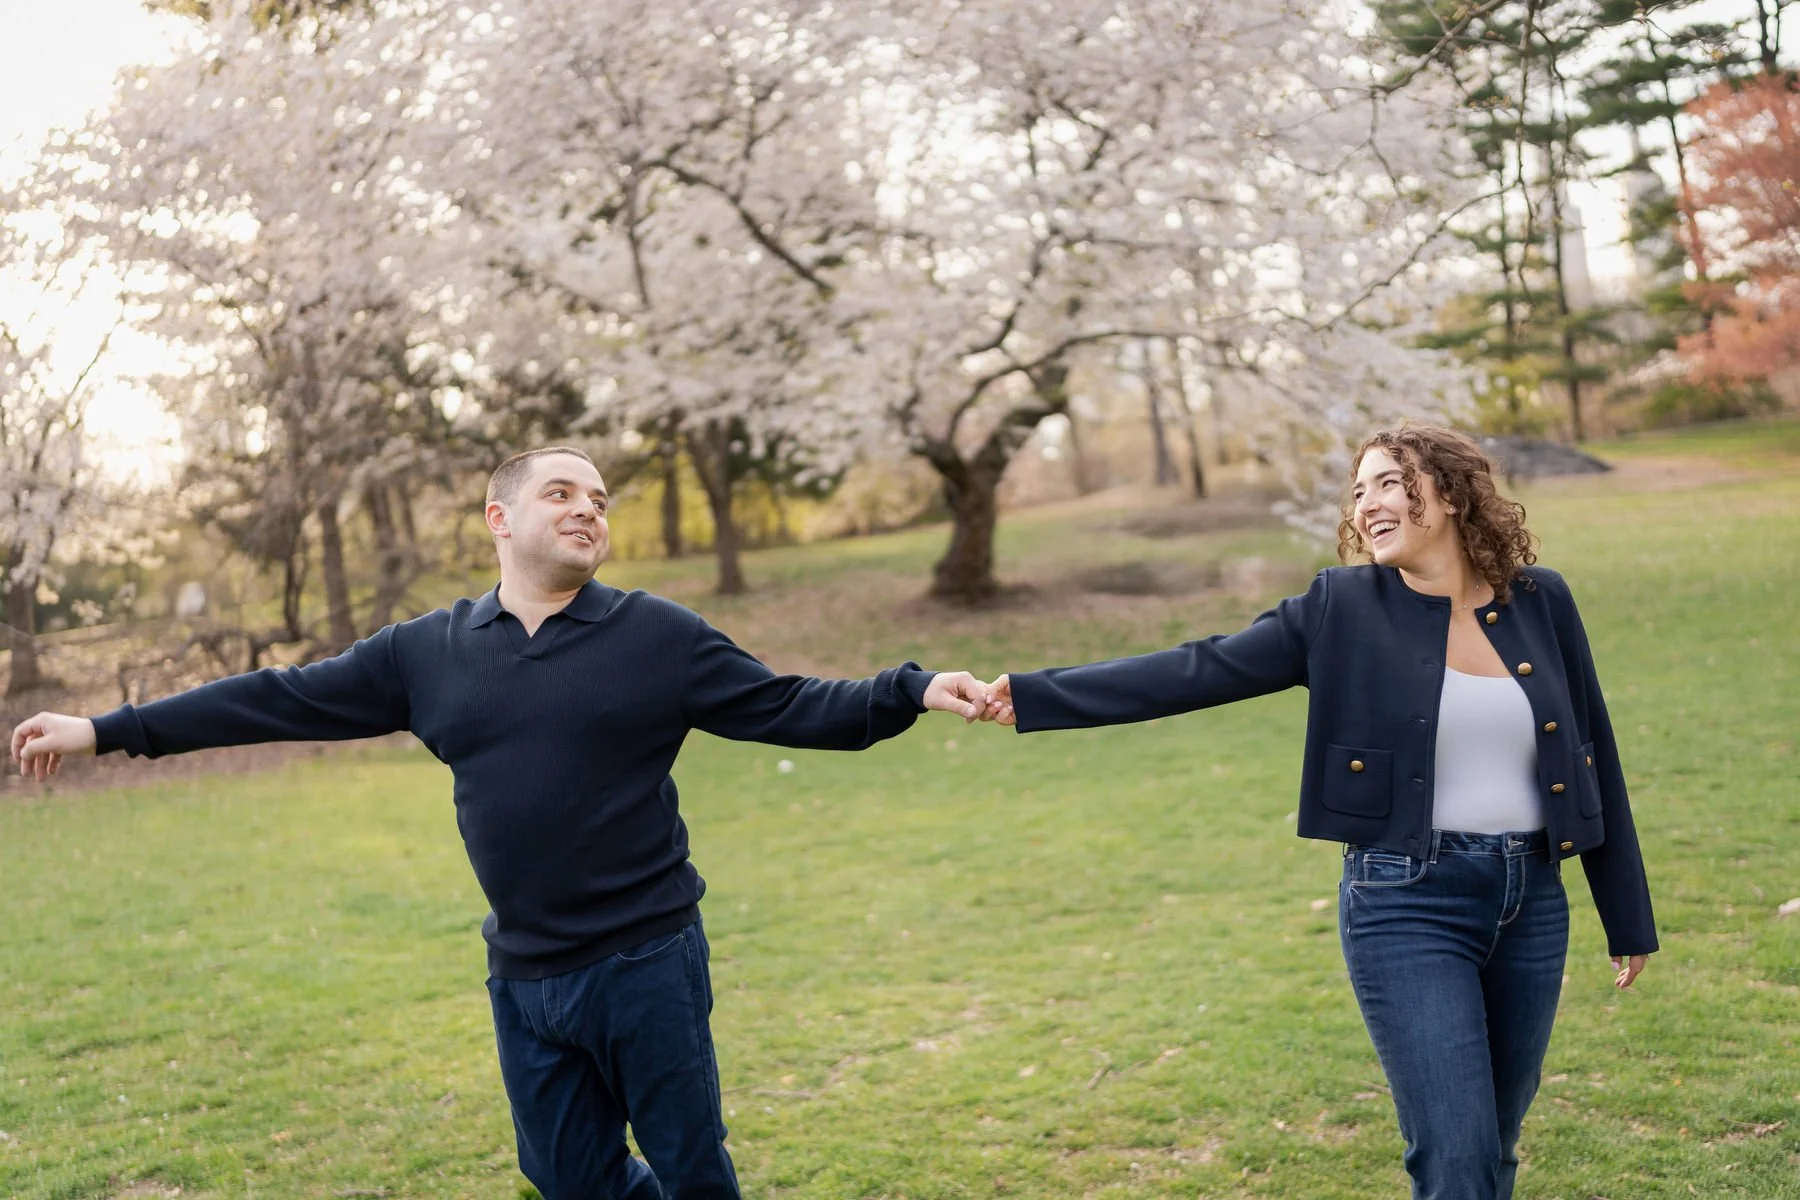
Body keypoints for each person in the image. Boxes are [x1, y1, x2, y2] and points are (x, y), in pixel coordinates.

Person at [10, 445, 992, 1200]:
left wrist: (908, 689)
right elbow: (277, 699)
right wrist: (106, 728)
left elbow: (793, 707)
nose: (589, 510)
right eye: (564, 492)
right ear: (500, 516)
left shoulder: (657, 636)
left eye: (600, 500)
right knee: (569, 1178)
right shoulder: (427, 653)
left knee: (693, 1168)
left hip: (646, 960)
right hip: (525, 975)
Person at [979, 424, 1656, 1200]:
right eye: (1359, 489)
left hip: (1533, 901)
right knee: (1456, 1154)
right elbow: (1196, 669)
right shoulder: (1341, 607)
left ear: (1451, 492)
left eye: (1389, 483)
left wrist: (1626, 913)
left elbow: (1592, 747)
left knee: (1495, 1141)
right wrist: (1031, 696)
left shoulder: (1541, 601)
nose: (1367, 503)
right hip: (1407, 901)